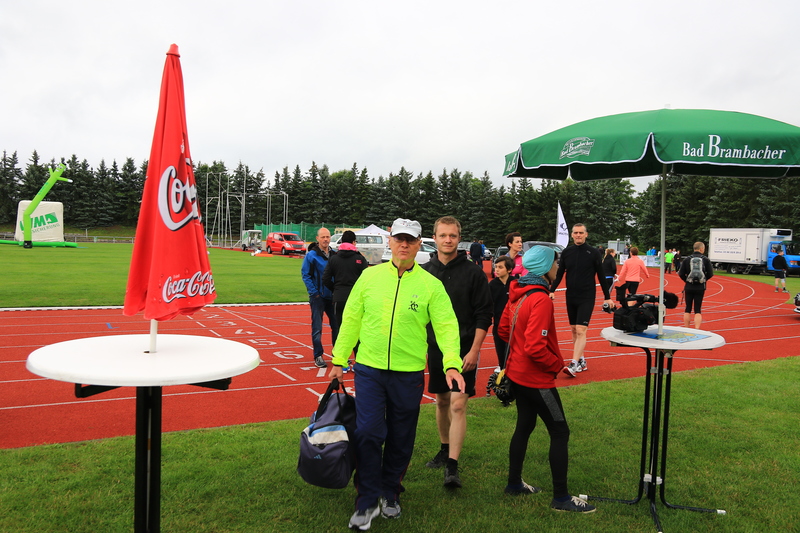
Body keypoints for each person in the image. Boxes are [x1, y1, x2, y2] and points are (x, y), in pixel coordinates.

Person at [328, 218, 465, 531]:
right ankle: (366, 500)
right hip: (369, 370)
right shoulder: (369, 276)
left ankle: (390, 492)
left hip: (408, 373)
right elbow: (351, 319)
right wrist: (338, 358)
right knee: (368, 432)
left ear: (419, 245)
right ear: (389, 242)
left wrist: (451, 364)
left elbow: (446, 326)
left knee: (401, 438)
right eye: (399, 239)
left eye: (410, 240)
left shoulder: (431, 285)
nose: (404, 245)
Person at [498, 245, 596, 513]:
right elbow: (535, 347)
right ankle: (561, 498)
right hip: (535, 378)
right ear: (544, 266)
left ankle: (514, 483)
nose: (557, 267)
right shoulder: (540, 298)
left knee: (524, 426)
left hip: (517, 373)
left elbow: (504, 330)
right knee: (560, 431)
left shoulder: (517, 290)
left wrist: (520, 352)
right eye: (555, 262)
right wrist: (556, 365)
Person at [423, 216, 493, 489]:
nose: (448, 240)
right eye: (443, 235)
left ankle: (452, 466)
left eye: (452, 235)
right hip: (435, 349)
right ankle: (444, 448)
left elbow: (484, 314)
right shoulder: (425, 272)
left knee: (458, 404)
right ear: (435, 238)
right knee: (441, 401)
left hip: (464, 349)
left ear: (459, 238)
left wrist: (475, 350)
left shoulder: (474, 273)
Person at [549, 223, 614, 378]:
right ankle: (582, 360)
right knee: (573, 329)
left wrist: (607, 296)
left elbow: (601, 275)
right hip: (571, 295)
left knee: (580, 329)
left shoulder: (594, 253)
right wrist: (552, 290)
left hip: (587, 295)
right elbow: (560, 274)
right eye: (576, 233)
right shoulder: (567, 252)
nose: (578, 235)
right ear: (572, 235)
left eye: (581, 233)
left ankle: (574, 363)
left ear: (586, 234)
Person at [322, 230, 368, 369]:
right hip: (356, 300)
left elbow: (325, 278)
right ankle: (359, 362)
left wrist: (335, 289)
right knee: (358, 330)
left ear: (342, 242)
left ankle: (341, 363)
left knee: (340, 330)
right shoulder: (360, 259)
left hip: (339, 298)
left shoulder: (334, 258)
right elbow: (367, 280)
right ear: (354, 242)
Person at [301, 227, 337, 368]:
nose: (326, 239)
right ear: (317, 239)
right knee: (317, 327)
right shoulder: (311, 255)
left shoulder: (334, 255)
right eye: (323, 237)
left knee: (337, 326)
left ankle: (337, 354)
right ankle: (318, 355)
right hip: (318, 297)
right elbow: (306, 275)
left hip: (332, 297)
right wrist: (314, 293)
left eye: (327, 237)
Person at [678, 241, 714, 329]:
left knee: (688, 308)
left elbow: (681, 273)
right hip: (700, 287)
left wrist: (687, 280)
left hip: (689, 286)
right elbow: (710, 273)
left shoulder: (687, 259)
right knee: (698, 309)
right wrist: (703, 280)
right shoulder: (705, 259)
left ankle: (687, 328)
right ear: (701, 249)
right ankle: (697, 328)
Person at [489, 255, 514, 370]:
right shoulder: (492, 285)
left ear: (509, 270)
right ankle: (502, 371)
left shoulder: (515, 283)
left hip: (514, 325)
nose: (497, 270)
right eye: (496, 267)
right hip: (498, 324)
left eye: (500, 267)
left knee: (513, 353)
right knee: (501, 352)